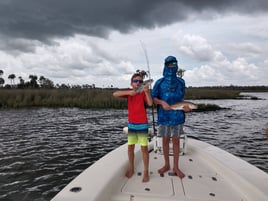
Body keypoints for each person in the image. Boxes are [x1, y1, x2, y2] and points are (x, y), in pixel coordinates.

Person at [152, 56, 191, 179]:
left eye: (174, 63)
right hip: (164, 117)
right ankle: (166, 164)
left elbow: (182, 99)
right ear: (165, 65)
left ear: (177, 65)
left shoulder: (181, 82)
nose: (172, 66)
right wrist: (162, 102)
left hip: (178, 117)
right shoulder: (159, 82)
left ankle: (176, 167)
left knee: (176, 141)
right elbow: (154, 98)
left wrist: (186, 107)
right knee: (164, 140)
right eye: (169, 64)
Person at [113, 70, 153, 182]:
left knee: (144, 149)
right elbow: (115, 94)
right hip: (131, 124)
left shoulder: (143, 93)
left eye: (140, 81)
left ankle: (146, 171)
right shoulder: (130, 93)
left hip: (142, 124)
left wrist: (147, 92)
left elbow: (150, 103)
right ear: (131, 83)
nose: (138, 82)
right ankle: (131, 168)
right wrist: (130, 93)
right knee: (130, 147)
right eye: (135, 81)